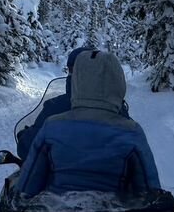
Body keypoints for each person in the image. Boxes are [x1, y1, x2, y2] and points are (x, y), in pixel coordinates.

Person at [15, 50, 161, 197]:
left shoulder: (51, 126)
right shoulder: (132, 131)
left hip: (58, 205)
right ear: (118, 82)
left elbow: (26, 188)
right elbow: (150, 192)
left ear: (76, 79)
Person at [16, 46, 94, 159]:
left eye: (71, 70)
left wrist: (24, 135)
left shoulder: (55, 107)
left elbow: (27, 148)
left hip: (63, 174)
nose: (69, 74)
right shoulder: (117, 108)